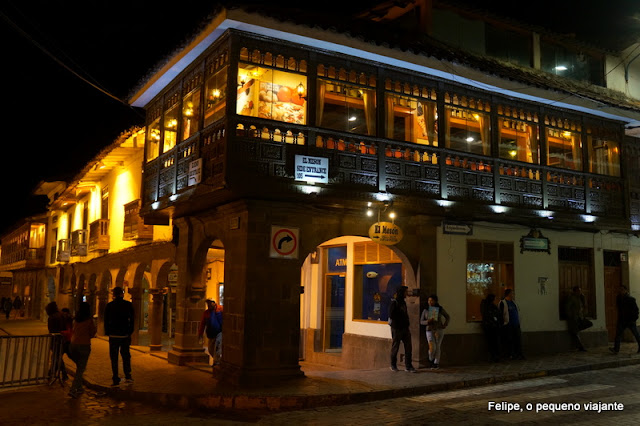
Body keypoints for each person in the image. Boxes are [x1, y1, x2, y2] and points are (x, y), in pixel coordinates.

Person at [104, 286, 135, 386]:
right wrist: (130, 331)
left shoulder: (109, 306)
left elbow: (105, 320)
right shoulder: (128, 305)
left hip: (113, 335)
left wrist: (108, 332)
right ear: (122, 294)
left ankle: (115, 376)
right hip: (124, 335)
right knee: (126, 355)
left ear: (113, 295)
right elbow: (133, 319)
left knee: (114, 357)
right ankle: (128, 375)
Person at [68, 302, 96, 398]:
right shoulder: (89, 321)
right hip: (84, 345)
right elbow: (92, 333)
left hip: (73, 345)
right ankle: (73, 389)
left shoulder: (75, 320)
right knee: (80, 369)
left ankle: (79, 387)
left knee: (79, 367)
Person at [389, 285, 416, 372]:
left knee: (408, 347)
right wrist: (400, 317)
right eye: (405, 292)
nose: (407, 293)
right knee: (395, 346)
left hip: (405, 327)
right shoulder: (394, 303)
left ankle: (408, 365)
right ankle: (393, 365)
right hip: (397, 328)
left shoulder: (403, 302)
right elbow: (391, 315)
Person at [420, 294, 450, 369]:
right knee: (432, 347)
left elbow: (447, 316)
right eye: (429, 300)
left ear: (435, 301)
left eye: (432, 300)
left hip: (438, 329)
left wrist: (445, 324)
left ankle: (436, 363)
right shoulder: (426, 310)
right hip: (429, 330)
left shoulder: (439, 309)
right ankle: (431, 359)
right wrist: (427, 321)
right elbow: (421, 321)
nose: (430, 302)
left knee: (438, 346)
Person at [610, 285, 640, 354]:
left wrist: (634, 319)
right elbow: (618, 308)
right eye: (620, 290)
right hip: (622, 320)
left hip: (630, 320)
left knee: (636, 334)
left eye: (622, 290)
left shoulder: (631, 299)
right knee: (618, 335)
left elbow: (636, 310)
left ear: (626, 290)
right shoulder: (618, 298)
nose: (621, 291)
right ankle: (616, 349)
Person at [45, 301, 69, 381]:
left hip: (55, 339)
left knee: (56, 357)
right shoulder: (61, 315)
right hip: (62, 338)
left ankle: (54, 373)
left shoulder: (52, 317)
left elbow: (51, 329)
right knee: (57, 356)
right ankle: (54, 373)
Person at [499, 288, 524, 360]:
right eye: (512, 293)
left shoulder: (514, 302)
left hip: (516, 324)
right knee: (510, 341)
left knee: (518, 340)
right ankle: (510, 354)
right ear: (509, 294)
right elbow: (500, 314)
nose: (513, 295)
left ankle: (518, 354)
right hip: (508, 325)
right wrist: (503, 323)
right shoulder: (503, 303)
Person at [198, 299, 223, 369]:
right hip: (211, 334)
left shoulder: (220, 309)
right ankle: (218, 360)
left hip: (219, 332)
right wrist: (200, 333)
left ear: (214, 303)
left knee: (217, 347)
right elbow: (202, 324)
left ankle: (216, 363)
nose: (209, 305)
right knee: (210, 349)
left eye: (210, 303)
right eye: (208, 304)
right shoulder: (206, 313)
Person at [565, 286, 588, 352]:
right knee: (575, 333)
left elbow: (584, 306)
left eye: (580, 291)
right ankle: (581, 347)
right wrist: (571, 316)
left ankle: (580, 346)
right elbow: (567, 308)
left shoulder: (580, 298)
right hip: (573, 318)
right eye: (578, 291)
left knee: (588, 324)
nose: (579, 292)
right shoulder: (571, 298)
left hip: (579, 317)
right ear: (574, 291)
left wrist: (583, 297)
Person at [480, 293, 501, 362]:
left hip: (493, 327)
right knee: (492, 342)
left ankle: (495, 356)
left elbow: (497, 313)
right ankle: (493, 356)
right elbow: (487, 314)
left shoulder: (491, 305)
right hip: (489, 327)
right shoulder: (486, 305)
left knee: (493, 342)